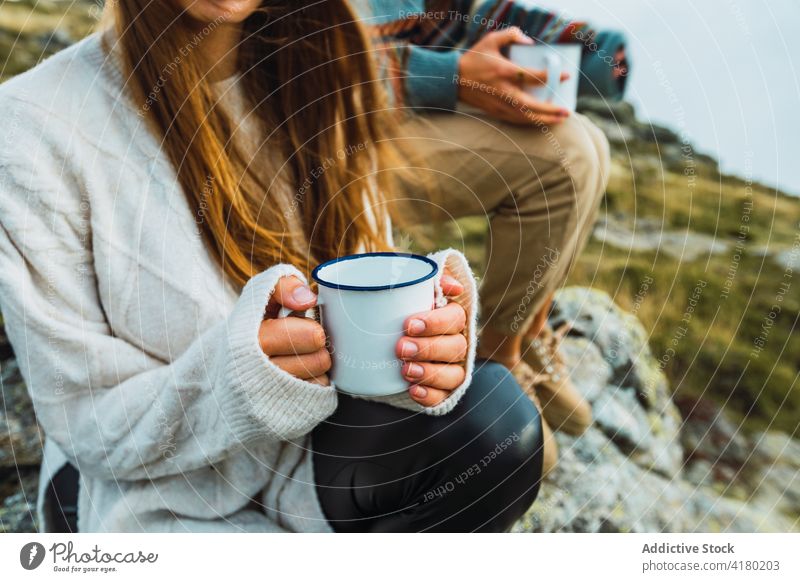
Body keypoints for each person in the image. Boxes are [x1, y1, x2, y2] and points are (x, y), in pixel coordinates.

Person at [0, 0, 544, 532]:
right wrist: (243, 379)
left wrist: (426, 346)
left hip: (306, 467)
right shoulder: (30, 125)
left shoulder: (323, 70)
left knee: (495, 426)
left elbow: (356, 328)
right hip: (151, 499)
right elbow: (90, 421)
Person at [357, 0, 621, 472]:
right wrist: (450, 75)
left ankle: (518, 336)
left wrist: (602, 55)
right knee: (570, 152)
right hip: (319, 132)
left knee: (590, 141)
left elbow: (507, 22)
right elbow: (308, 58)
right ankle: (493, 368)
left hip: (391, 115)